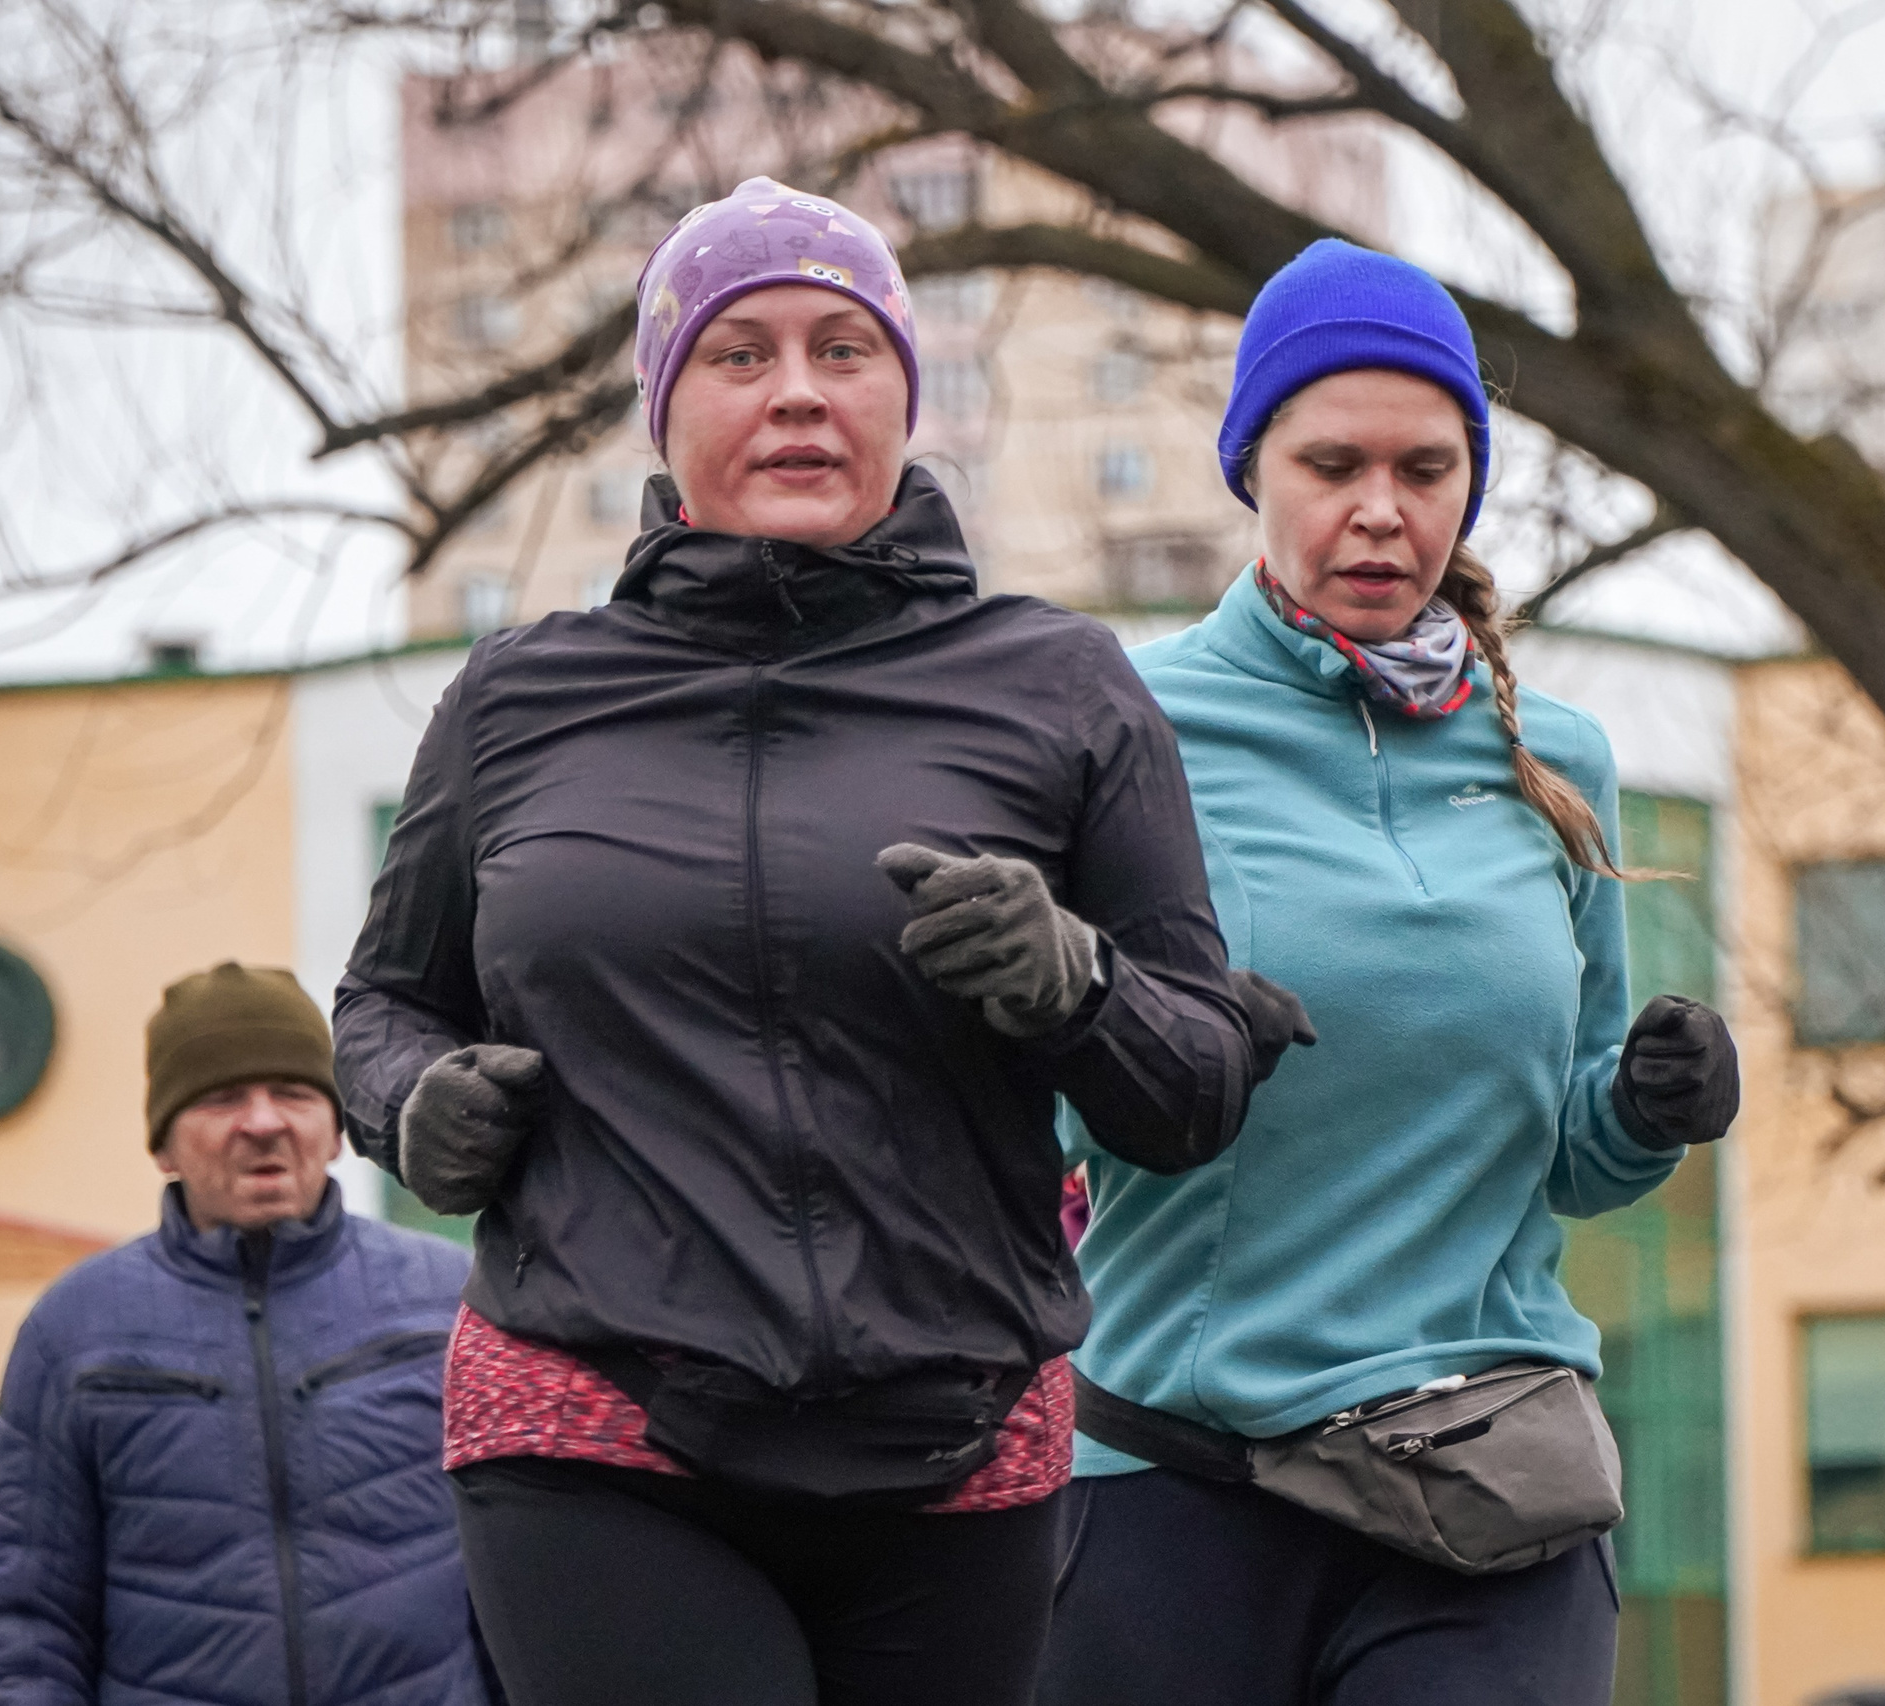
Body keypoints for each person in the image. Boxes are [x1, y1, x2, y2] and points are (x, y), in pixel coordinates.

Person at [331, 178, 1292, 1706]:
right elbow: (384, 1001)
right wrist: (413, 1101)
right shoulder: (518, 700)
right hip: (596, 1410)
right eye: (740, 353)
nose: (796, 392)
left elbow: (1188, 1092)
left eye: (844, 349)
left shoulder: (1060, 686)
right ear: (665, 410)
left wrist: (1075, 985)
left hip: (957, 1445)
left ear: (907, 392)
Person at [1038, 240, 1743, 1706]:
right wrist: (1139, 1036)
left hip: (1481, 1478)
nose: (1380, 510)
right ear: (1253, 469)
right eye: (1332, 461)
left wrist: (1647, 1105)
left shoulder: (1558, 757)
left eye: (1426, 468)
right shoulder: (1121, 725)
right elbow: (1030, 1113)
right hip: (1176, 1477)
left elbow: (1572, 1152)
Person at [0, 963, 486, 1706]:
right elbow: (30, 1622)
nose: (263, 1121)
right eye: (220, 1097)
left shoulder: (447, 1302)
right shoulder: (73, 1332)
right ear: (162, 1145)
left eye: (294, 1092)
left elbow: (524, 1582)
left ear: (335, 1127)